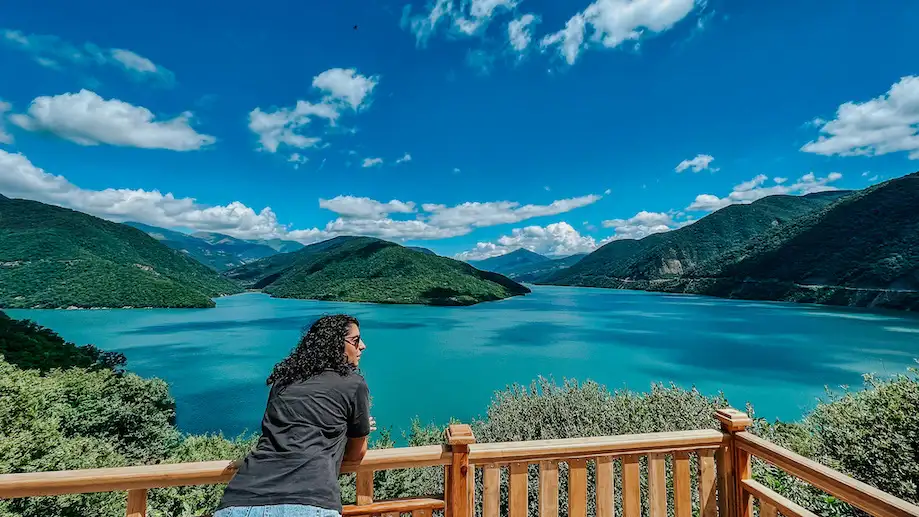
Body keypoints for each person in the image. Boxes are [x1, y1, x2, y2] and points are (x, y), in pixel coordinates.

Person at [214, 314, 374, 517]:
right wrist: (354, 429)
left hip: (241, 499)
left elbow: (283, 432)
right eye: (356, 340)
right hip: (310, 500)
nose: (363, 346)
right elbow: (356, 454)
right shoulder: (353, 384)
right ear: (335, 344)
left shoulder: (283, 382)